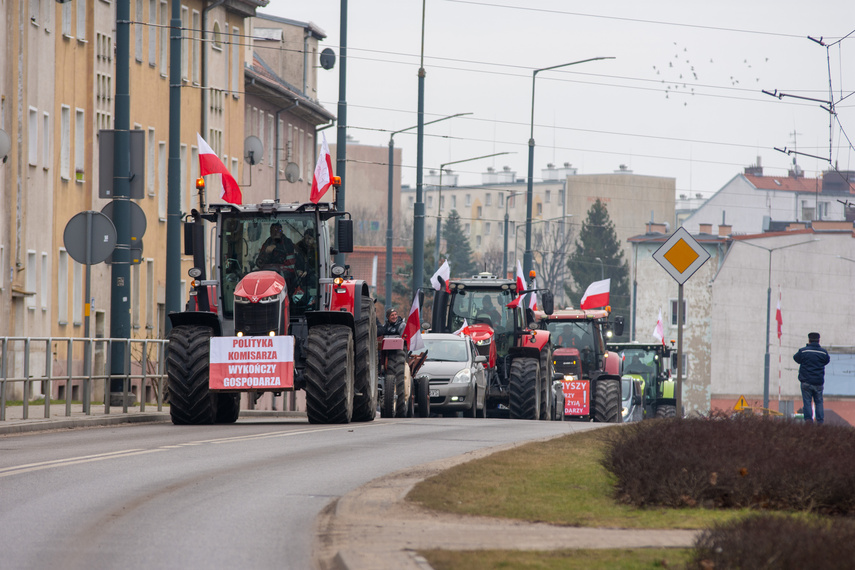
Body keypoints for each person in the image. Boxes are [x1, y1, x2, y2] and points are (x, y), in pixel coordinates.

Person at [793, 332, 830, 424]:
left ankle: (809, 421)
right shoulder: (823, 352)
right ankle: (820, 421)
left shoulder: (803, 351)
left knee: (807, 402)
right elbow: (826, 361)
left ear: (809, 340)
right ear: (819, 340)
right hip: (818, 382)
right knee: (819, 402)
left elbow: (796, 358)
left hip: (806, 382)